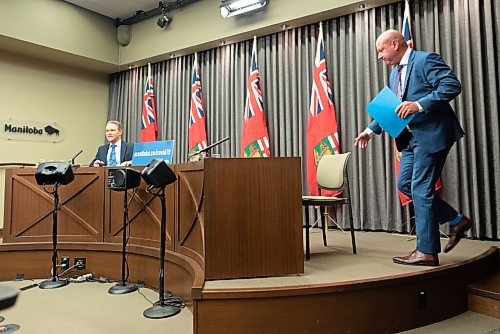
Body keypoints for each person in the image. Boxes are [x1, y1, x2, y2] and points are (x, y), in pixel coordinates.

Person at [354, 29, 472, 266]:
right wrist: (369, 131)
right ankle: (456, 220)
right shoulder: (394, 74)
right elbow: (392, 108)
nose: (379, 56)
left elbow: (452, 85)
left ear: (395, 44)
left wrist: (418, 105)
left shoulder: (426, 59)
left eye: (381, 50)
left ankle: (426, 251)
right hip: (409, 139)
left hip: (433, 135)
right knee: (405, 184)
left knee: (420, 187)